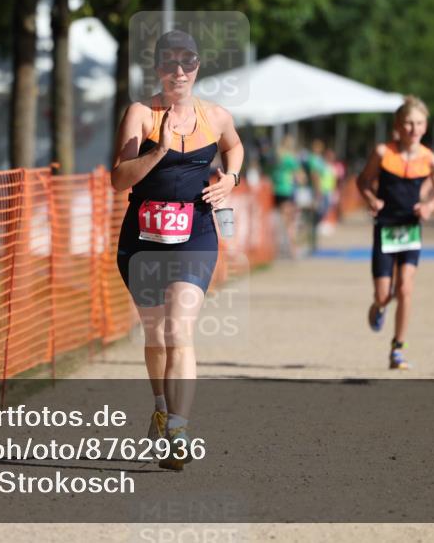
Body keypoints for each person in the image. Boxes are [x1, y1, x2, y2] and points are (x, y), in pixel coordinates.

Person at [111, 30, 243, 471]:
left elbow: (234, 146)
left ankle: (179, 430)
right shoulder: (141, 114)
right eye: (171, 63)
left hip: (196, 234)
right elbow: (119, 178)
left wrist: (231, 178)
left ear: (198, 68)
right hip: (142, 240)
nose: (179, 71)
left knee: (178, 331)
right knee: (156, 336)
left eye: (188, 63)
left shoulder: (216, 116)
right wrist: (161, 148)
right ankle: (161, 409)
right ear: (158, 69)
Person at [356, 97, 434, 370]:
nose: (413, 129)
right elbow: (363, 181)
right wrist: (371, 199)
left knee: (405, 288)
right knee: (384, 294)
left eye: (418, 123)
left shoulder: (430, 159)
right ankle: (377, 306)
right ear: (398, 125)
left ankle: (397, 348)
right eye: (408, 123)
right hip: (386, 227)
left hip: (411, 229)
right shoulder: (383, 153)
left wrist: (429, 205)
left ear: (425, 126)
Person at [270, 134, 305, 257]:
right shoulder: (290, 159)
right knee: (290, 222)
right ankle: (293, 250)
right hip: (287, 191)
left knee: (279, 220)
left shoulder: (277, 157)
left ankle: (279, 247)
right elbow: (301, 178)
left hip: (275, 190)